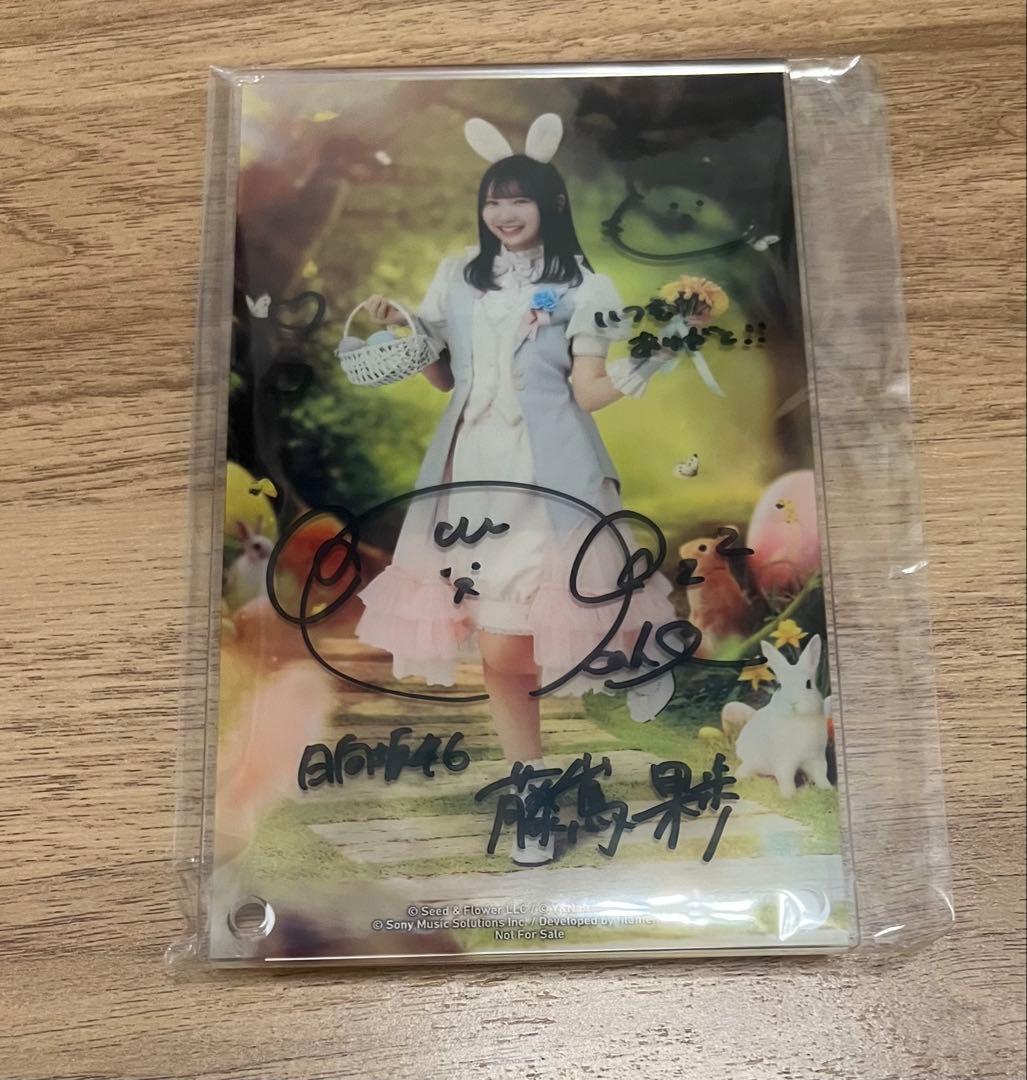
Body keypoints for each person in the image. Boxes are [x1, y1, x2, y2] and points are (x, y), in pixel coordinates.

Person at [355, 114, 675, 865]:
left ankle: (641, 658)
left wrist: (646, 364)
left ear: (550, 203)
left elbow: (587, 392)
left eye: (518, 200)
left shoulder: (587, 286)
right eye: (493, 200)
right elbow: (444, 378)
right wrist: (406, 333)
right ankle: (531, 796)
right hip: (470, 478)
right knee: (501, 650)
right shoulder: (458, 275)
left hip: (550, 476)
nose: (504, 213)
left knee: (562, 618)